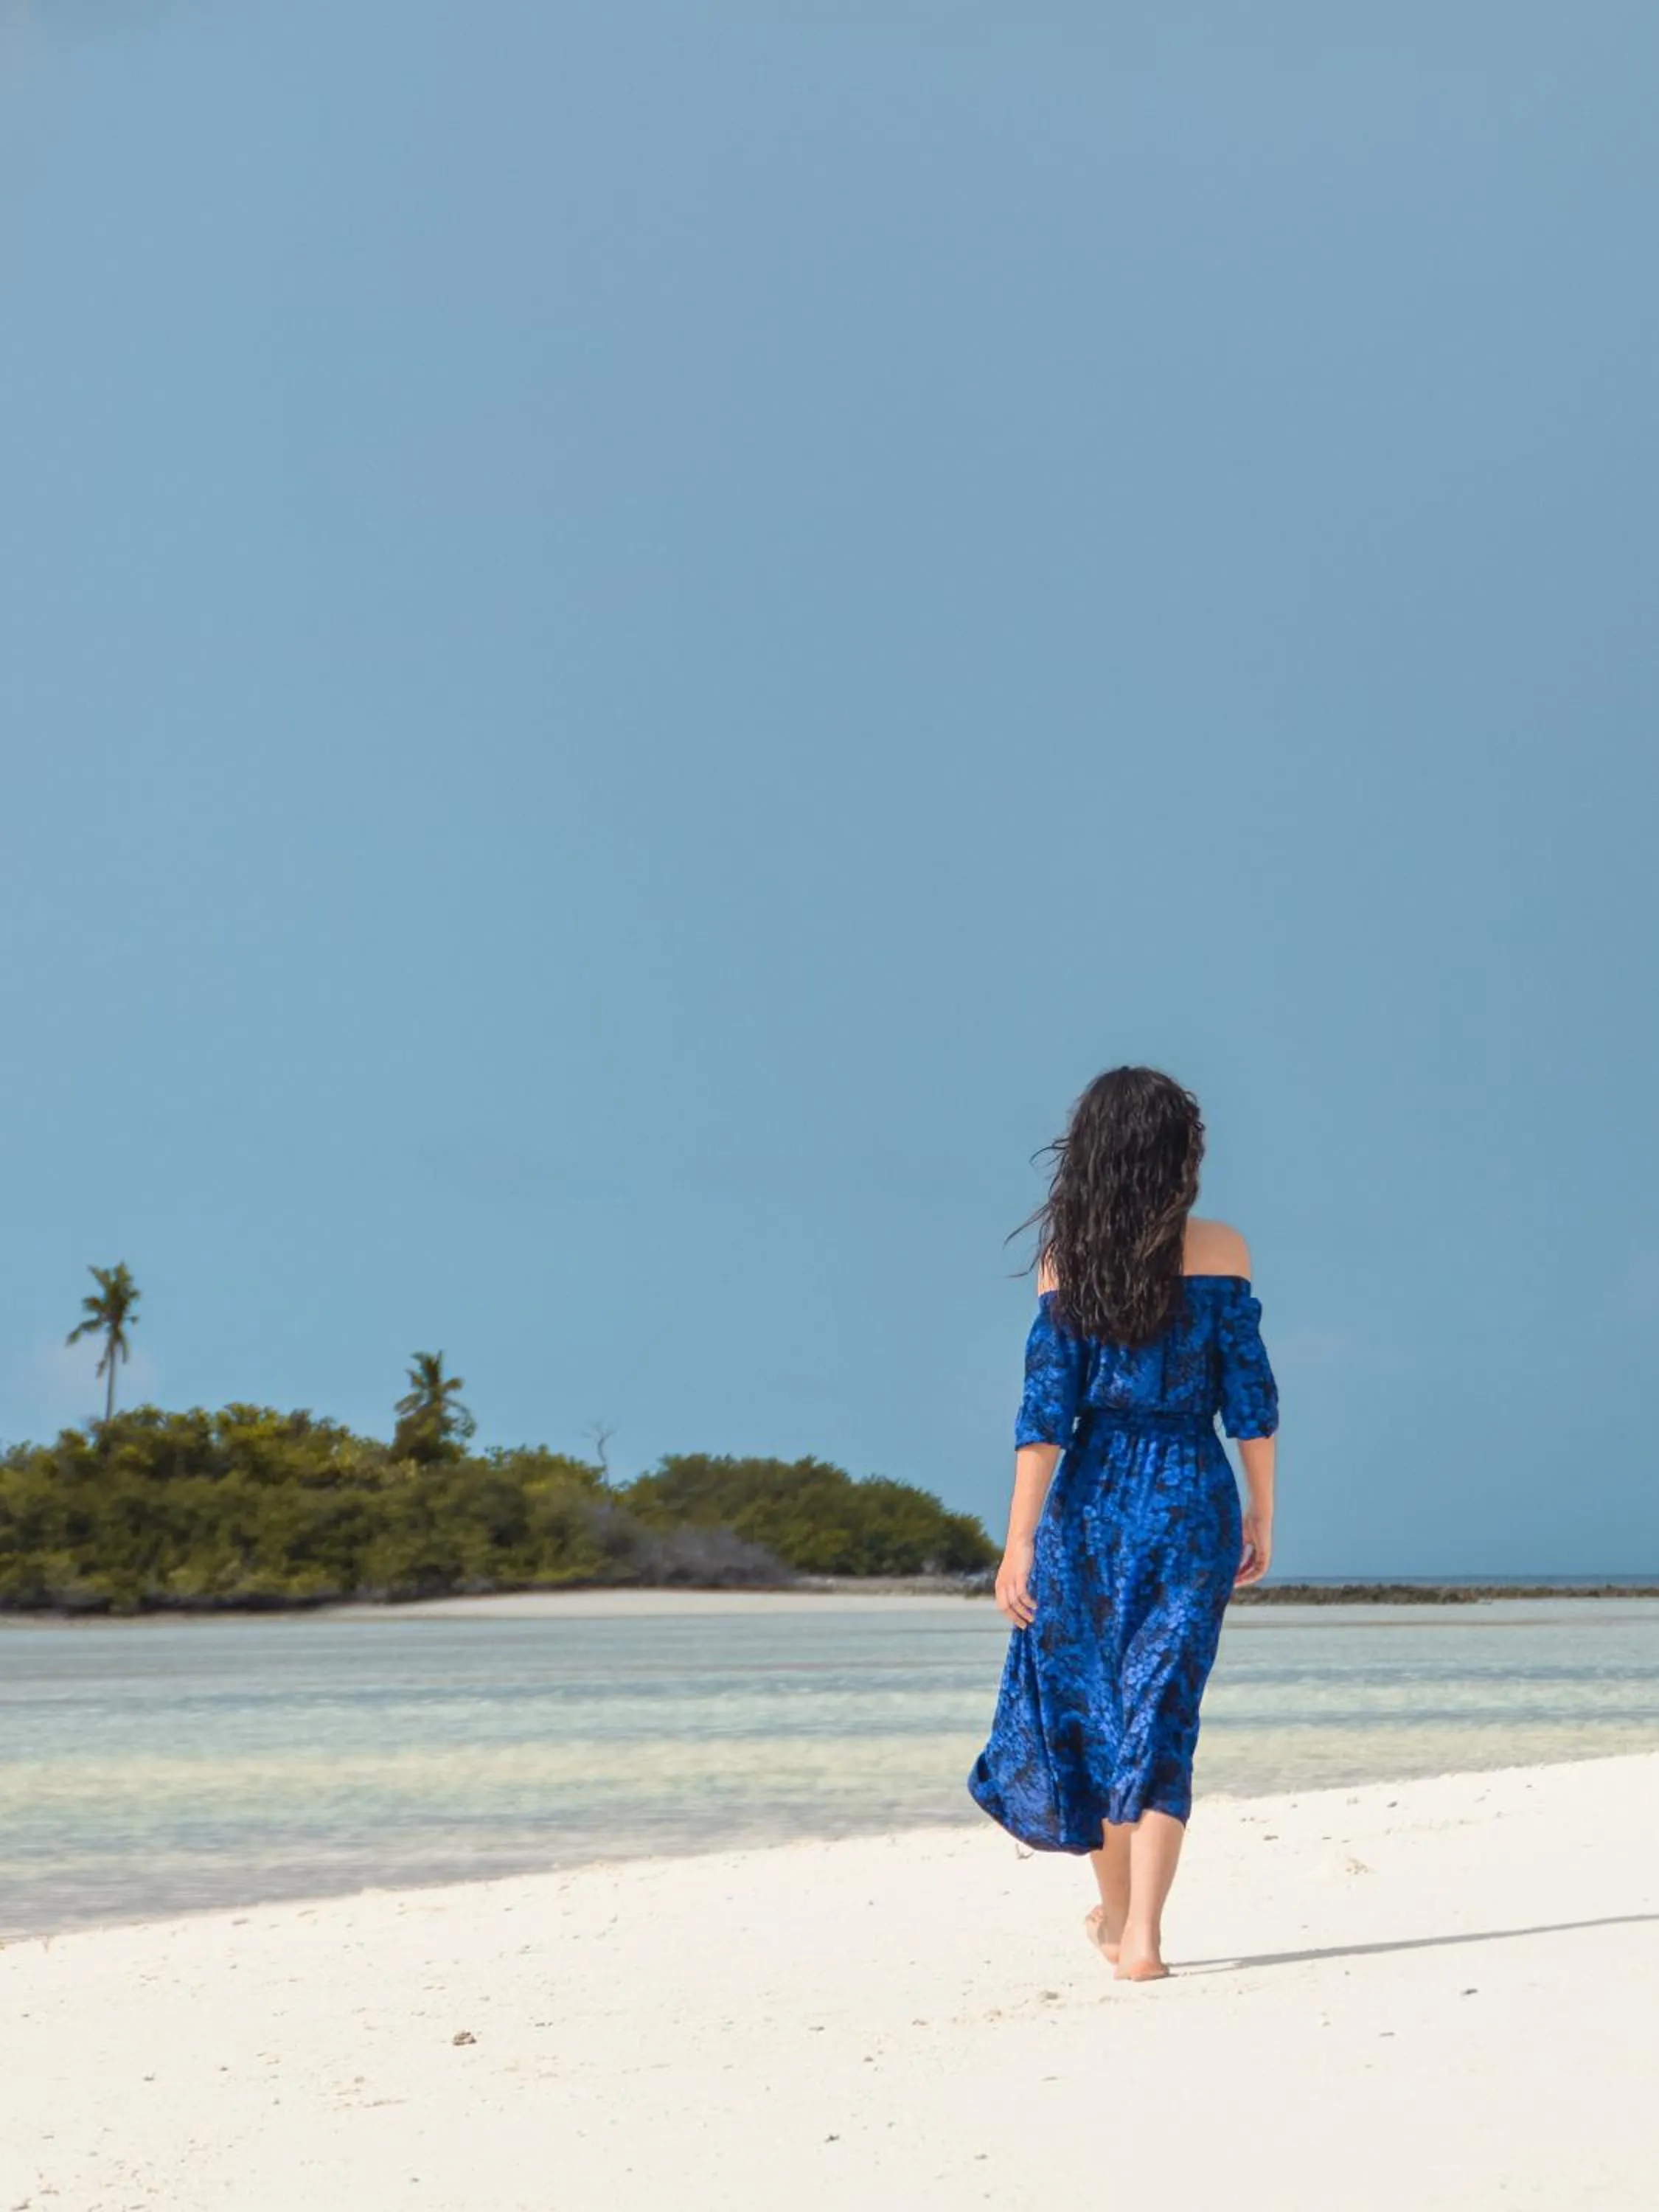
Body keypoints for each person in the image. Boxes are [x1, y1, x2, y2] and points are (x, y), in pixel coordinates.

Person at [967, 1064, 1280, 1982]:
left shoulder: (1068, 1265)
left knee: (1092, 1717)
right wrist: (1262, 1508)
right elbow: (1251, 1401)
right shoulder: (1223, 1250)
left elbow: (1045, 1418)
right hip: (1191, 1493)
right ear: (1178, 1155)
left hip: (1092, 1507)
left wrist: (1019, 1540)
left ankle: (1120, 1920)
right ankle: (1138, 1932)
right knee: (1162, 1713)